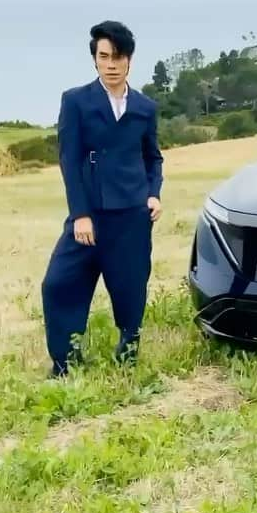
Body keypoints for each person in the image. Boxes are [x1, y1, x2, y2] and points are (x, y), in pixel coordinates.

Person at [42, 20, 163, 376]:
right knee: (59, 284)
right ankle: (65, 362)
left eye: (118, 56)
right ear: (95, 59)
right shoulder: (76, 101)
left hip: (131, 216)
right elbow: (69, 159)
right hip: (89, 215)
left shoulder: (144, 107)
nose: (111, 64)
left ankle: (128, 349)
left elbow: (152, 157)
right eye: (104, 56)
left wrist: (153, 194)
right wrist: (80, 214)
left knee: (130, 286)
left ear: (130, 60)